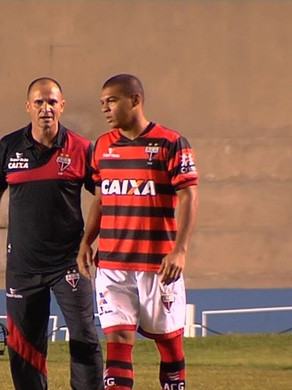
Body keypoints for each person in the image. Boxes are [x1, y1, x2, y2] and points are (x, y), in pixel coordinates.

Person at [0, 77, 104, 390]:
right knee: (25, 347)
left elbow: (103, 196)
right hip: (23, 266)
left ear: (62, 106)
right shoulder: (9, 147)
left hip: (70, 264)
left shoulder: (82, 148)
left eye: (52, 102)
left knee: (84, 336)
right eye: (40, 102)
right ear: (28, 107)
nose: (46, 108)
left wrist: (89, 242)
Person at [77, 74, 199, 390]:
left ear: (135, 100)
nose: (105, 109)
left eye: (112, 101)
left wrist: (180, 249)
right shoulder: (102, 147)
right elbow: (101, 198)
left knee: (169, 343)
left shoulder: (171, 143)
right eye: (102, 103)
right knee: (117, 339)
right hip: (112, 265)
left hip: (157, 266)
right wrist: (86, 242)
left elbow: (188, 195)